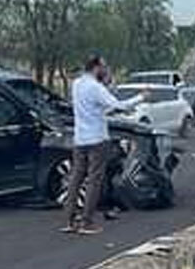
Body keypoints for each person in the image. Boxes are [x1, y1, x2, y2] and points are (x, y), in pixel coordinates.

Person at [62, 54, 145, 235]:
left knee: (75, 179)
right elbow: (119, 106)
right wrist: (140, 97)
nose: (106, 69)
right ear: (97, 67)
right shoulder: (95, 87)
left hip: (80, 139)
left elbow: (98, 106)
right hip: (97, 139)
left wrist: (107, 84)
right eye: (104, 67)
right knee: (94, 180)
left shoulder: (76, 84)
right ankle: (87, 222)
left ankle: (70, 220)